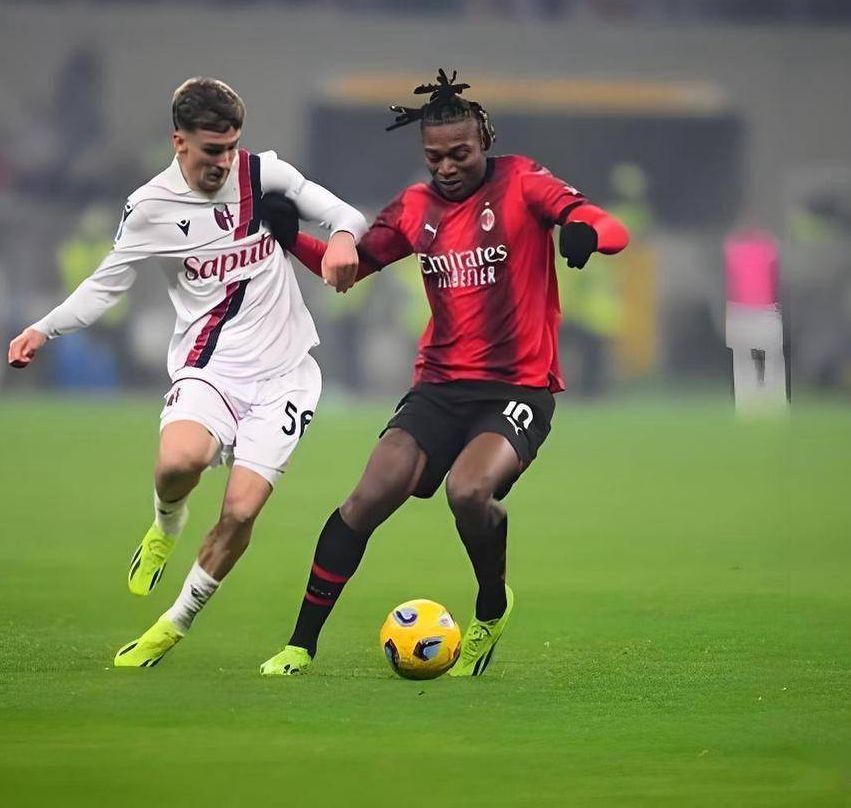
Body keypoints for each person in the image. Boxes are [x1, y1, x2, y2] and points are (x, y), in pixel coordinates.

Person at [258, 70, 628, 677]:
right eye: (435, 157)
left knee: (468, 490)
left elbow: (610, 226)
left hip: (518, 389)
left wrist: (588, 232)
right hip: (439, 387)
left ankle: (491, 607)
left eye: (461, 153)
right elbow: (343, 270)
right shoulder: (414, 207)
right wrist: (289, 235)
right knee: (368, 496)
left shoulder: (523, 181)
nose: (448, 167)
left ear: (485, 140)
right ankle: (300, 644)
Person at [7, 77, 365, 667]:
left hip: (286, 376)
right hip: (210, 370)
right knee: (178, 464)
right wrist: (43, 329)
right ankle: (166, 525)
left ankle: (173, 623)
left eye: (231, 147)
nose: (224, 162)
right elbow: (106, 285)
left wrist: (345, 238)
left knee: (241, 511)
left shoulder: (262, 174)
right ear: (179, 142)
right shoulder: (150, 207)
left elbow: (342, 213)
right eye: (211, 150)